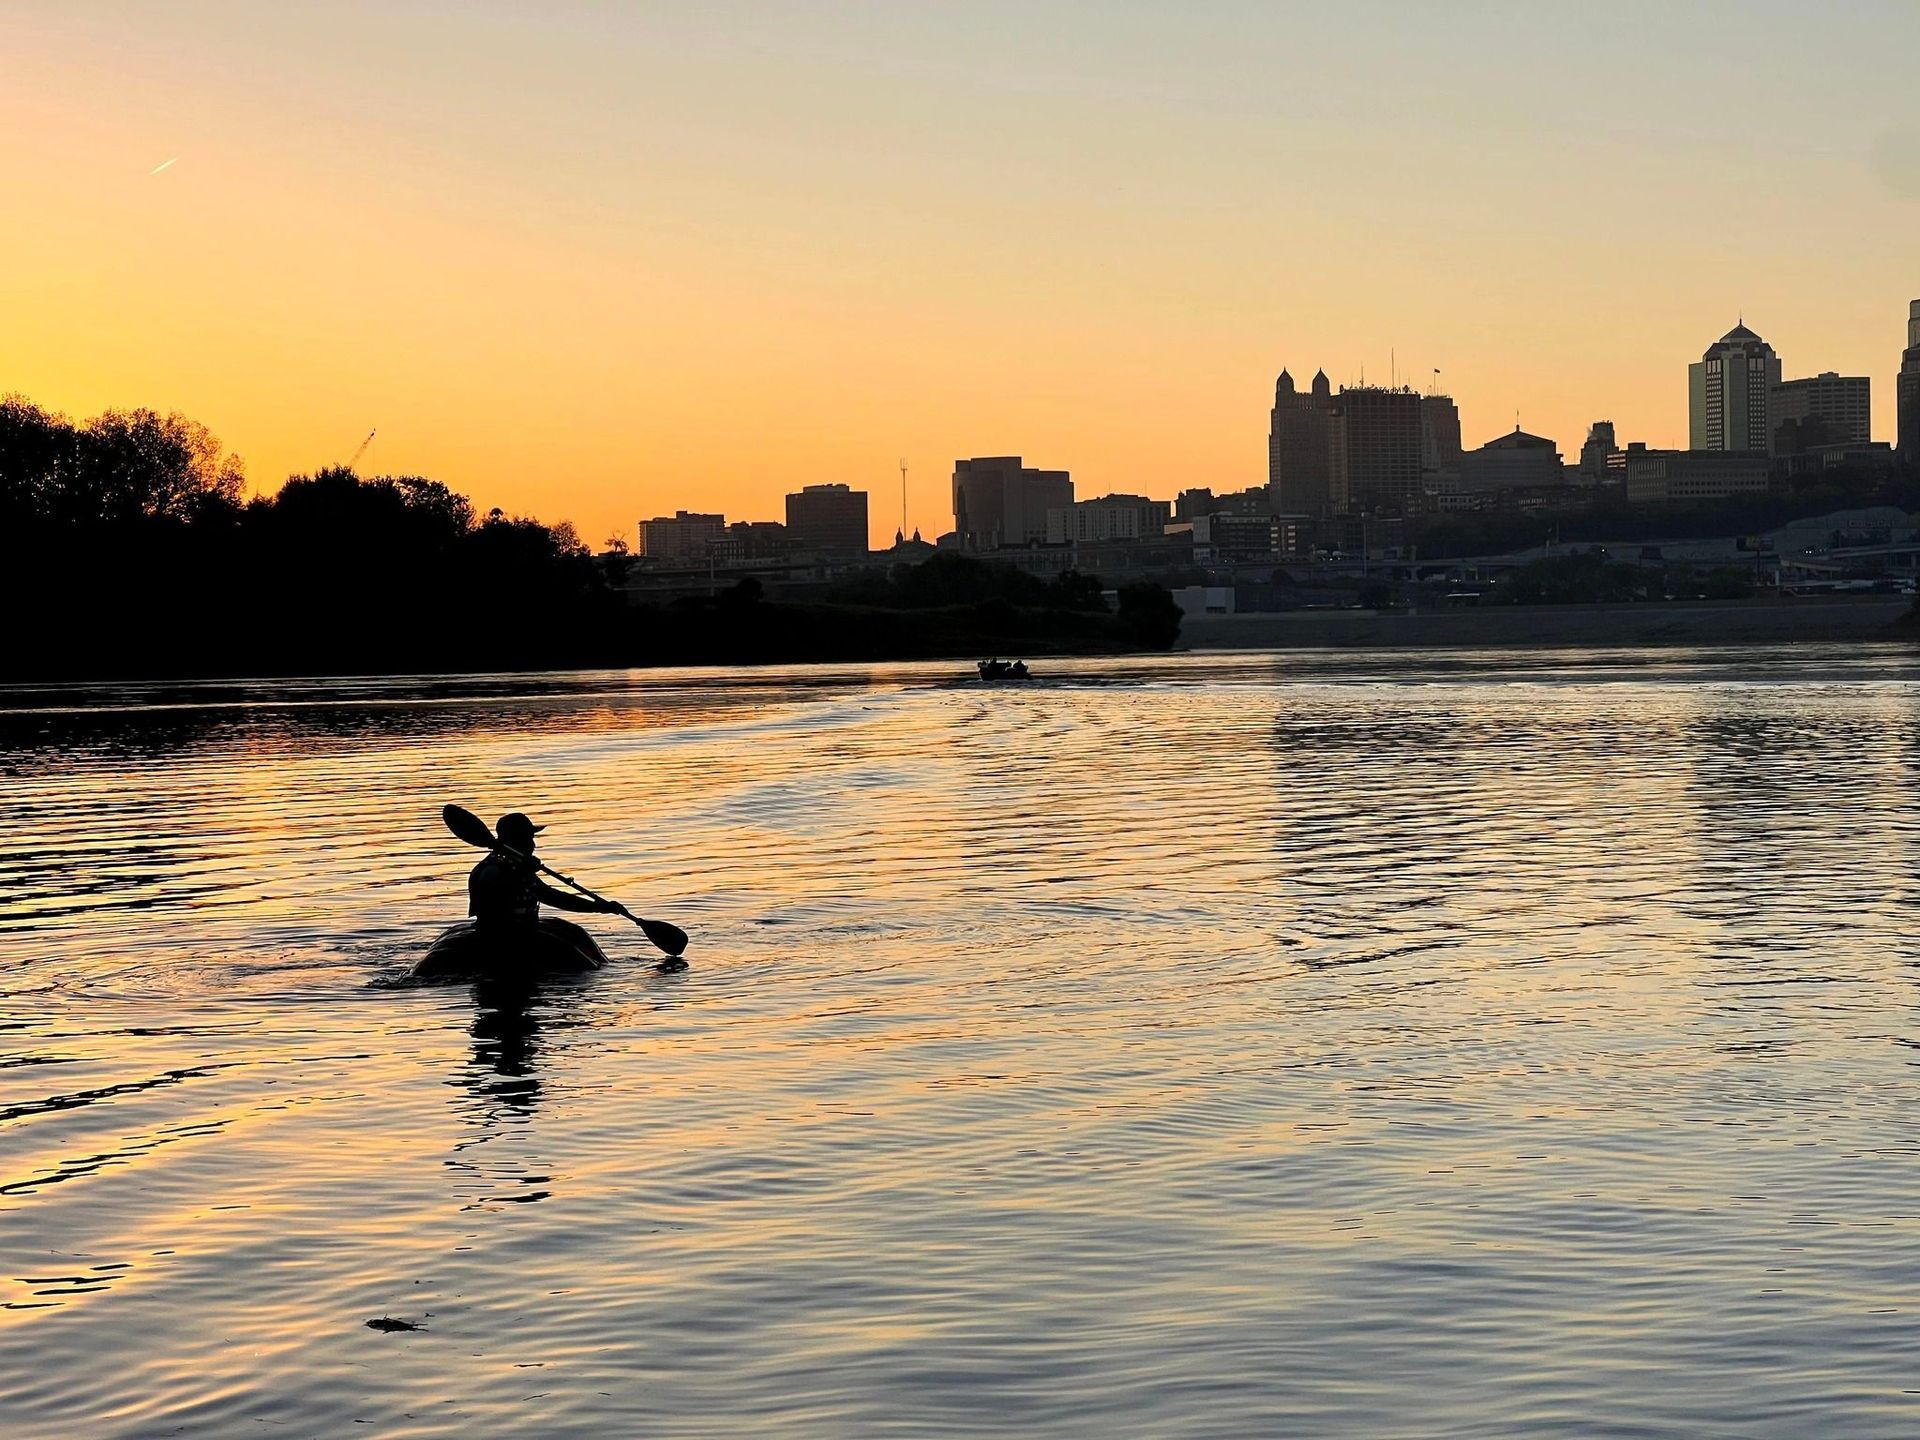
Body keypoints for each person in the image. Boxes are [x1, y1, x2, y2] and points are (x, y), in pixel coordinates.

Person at [468, 812, 621, 943]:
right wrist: (597, 907)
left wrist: (598, 907)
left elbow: (547, 894)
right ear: (517, 840)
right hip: (507, 934)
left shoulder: (510, 865)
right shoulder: (499, 869)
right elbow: (549, 896)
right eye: (528, 838)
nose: (533, 845)